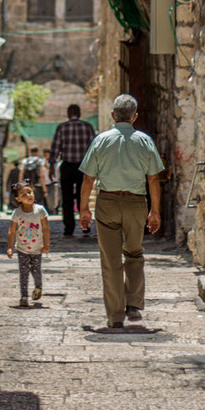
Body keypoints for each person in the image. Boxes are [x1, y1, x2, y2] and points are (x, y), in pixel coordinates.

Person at [78, 93, 164, 329]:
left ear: (113, 115)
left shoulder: (101, 140)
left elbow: (88, 178)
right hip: (136, 203)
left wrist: (84, 209)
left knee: (111, 261)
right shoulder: (144, 141)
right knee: (134, 253)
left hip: (107, 203)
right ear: (135, 117)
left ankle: (115, 317)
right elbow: (154, 179)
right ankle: (134, 304)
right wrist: (154, 212)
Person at [50, 103, 96, 236]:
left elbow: (55, 148)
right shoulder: (87, 127)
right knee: (84, 196)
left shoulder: (62, 128)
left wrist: (52, 165)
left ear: (68, 114)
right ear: (80, 114)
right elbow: (94, 148)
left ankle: (68, 228)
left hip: (67, 166)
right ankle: (85, 226)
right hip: (83, 167)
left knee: (67, 198)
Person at [7, 181, 50, 307]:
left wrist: (46, 245)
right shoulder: (17, 213)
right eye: (23, 194)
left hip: (37, 249)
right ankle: (24, 296)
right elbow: (12, 231)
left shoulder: (40, 210)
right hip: (22, 249)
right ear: (17, 198)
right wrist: (10, 247)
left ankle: (38, 286)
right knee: (24, 272)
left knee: (36, 271)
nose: (28, 195)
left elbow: (46, 228)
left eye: (29, 192)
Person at [43, 148, 59, 214]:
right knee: (48, 199)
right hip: (46, 182)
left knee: (55, 198)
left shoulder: (54, 162)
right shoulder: (43, 162)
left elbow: (56, 171)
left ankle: (54, 209)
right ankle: (51, 210)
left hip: (53, 182)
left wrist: (48, 168)